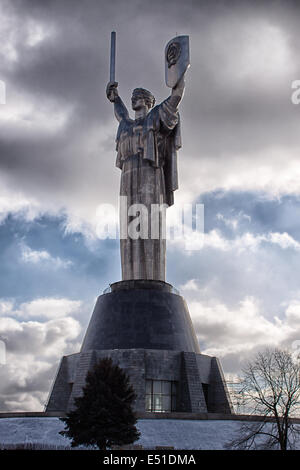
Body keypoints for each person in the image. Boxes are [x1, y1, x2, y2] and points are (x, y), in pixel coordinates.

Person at [106, 77, 185, 281]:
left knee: (150, 225)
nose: (134, 98)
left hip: (150, 173)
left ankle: (152, 278)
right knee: (129, 227)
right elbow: (120, 113)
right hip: (128, 178)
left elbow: (175, 98)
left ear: (149, 102)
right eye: (133, 97)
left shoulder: (155, 118)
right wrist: (115, 98)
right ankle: (130, 278)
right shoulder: (126, 125)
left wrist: (178, 76)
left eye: (139, 96)